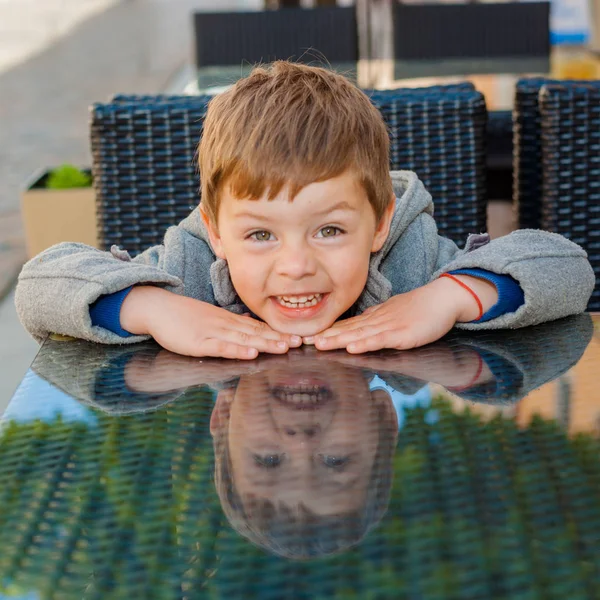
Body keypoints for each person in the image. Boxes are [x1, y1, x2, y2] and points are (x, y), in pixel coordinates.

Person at [15, 62, 595, 360]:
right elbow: (40, 283)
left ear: (380, 224)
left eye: (330, 229)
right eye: (261, 235)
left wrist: (449, 296)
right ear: (217, 233)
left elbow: (568, 266)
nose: (296, 266)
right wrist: (152, 308)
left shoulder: (413, 264)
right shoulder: (189, 271)